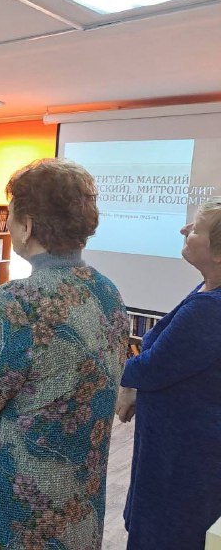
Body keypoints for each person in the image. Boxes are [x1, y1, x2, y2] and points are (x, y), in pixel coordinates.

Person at [0, 159, 129, 550]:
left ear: (27, 226)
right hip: (80, 490)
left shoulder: (20, 301)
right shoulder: (108, 292)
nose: (9, 225)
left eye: (11, 216)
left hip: (20, 496)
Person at [116, 199, 221, 550]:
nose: (184, 230)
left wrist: (106, 371)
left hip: (184, 455)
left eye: (196, 229)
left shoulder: (209, 310)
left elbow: (153, 367)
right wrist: (134, 385)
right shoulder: (207, 290)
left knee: (165, 534)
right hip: (180, 445)